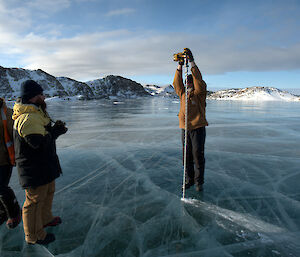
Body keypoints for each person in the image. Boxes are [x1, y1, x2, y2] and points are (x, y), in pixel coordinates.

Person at [12, 80, 68, 245]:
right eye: (40, 95)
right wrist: (54, 133)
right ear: (32, 98)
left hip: (43, 165)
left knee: (48, 192)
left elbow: (43, 136)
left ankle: (45, 219)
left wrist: (53, 131)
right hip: (34, 168)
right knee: (34, 201)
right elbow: (37, 143)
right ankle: (34, 236)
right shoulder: (28, 117)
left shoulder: (36, 113)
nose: (44, 97)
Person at [173, 48, 208, 192]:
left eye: (190, 82)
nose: (188, 85)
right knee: (186, 156)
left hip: (197, 128)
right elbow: (176, 83)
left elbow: (199, 81)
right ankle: (189, 180)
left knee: (197, 155)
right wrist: (180, 65)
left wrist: (192, 62)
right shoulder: (182, 93)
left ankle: (199, 182)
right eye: (187, 83)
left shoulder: (199, 94)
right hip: (185, 128)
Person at [0, 98, 21, 229]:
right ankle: (2, 213)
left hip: (4, 159)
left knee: (1, 187)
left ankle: (14, 213)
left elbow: (16, 135)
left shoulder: (7, 113)